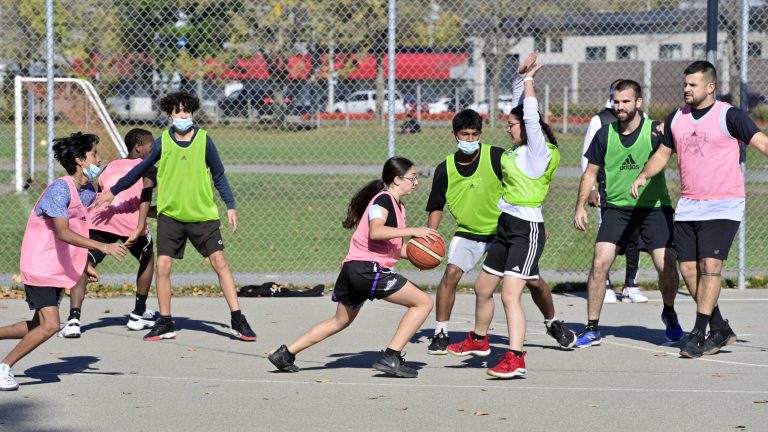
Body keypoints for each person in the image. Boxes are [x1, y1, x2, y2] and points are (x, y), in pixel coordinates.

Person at [94, 91, 257, 342]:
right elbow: (138, 170)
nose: (183, 116)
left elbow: (219, 175)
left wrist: (231, 205)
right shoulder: (162, 143)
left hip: (202, 215)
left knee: (220, 262)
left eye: (187, 111)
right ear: (170, 114)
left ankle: (237, 318)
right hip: (171, 217)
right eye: (178, 112)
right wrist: (113, 191)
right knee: (162, 266)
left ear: (192, 113)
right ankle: (165, 322)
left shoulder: (204, 140)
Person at [631, 61, 768, 358]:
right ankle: (719, 328)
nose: (686, 89)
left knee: (710, 266)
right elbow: (663, 153)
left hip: (724, 203)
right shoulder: (677, 118)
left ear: (710, 87)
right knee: (689, 270)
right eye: (685, 84)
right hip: (689, 205)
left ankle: (698, 332)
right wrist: (643, 175)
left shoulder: (729, 115)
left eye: (693, 84)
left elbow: (762, 143)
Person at [268, 157, 436, 378]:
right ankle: (390, 357)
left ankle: (285, 354)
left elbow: (391, 247)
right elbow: (376, 231)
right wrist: (413, 231)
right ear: (397, 180)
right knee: (423, 303)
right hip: (367, 269)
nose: (416, 182)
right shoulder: (383, 200)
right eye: (412, 178)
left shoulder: (398, 206)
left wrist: (420, 256)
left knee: (339, 321)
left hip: (356, 269)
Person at [425, 107, 575, 356]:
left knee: (534, 282)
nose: (470, 139)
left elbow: (521, 189)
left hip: (503, 230)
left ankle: (552, 323)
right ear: (454, 136)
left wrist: (540, 224)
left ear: (480, 135)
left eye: (475, 134)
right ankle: (441, 332)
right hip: (469, 231)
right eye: (464, 135)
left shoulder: (496, 156)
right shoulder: (445, 169)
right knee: (451, 274)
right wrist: (429, 237)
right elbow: (435, 206)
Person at [445, 52, 559, 379]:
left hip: (526, 229)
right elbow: (520, 110)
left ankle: (516, 358)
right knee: (483, 286)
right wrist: (520, 78)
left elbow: (529, 115)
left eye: (511, 125)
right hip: (506, 226)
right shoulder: (520, 149)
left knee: (510, 295)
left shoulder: (538, 151)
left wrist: (530, 81)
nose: (508, 129)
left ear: (527, 127)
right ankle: (479, 340)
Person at [0, 132, 127, 391]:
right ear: (80, 160)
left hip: (57, 267)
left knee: (38, 325)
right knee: (50, 326)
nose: (98, 159)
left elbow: (79, 228)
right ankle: (4, 367)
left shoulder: (88, 191)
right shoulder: (60, 189)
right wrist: (103, 247)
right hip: (40, 264)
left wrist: (84, 264)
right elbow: (63, 233)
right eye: (94, 154)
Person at [574, 79, 682, 349]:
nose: (620, 106)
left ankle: (669, 312)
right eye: (616, 101)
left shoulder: (655, 131)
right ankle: (592, 327)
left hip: (653, 208)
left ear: (638, 102)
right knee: (600, 262)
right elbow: (590, 172)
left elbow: (682, 145)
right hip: (617, 208)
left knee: (666, 264)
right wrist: (580, 206)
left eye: (625, 101)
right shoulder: (604, 134)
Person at [58, 129, 158, 338]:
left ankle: (74, 320)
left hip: (100, 219)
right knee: (147, 259)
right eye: (151, 145)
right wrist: (142, 223)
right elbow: (144, 195)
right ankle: (138, 313)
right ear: (138, 147)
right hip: (130, 223)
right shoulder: (147, 167)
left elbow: (105, 195)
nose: (154, 148)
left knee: (84, 265)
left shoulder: (110, 166)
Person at [581, 79, 645, 304]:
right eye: (616, 97)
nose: (620, 104)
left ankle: (631, 285)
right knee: (607, 240)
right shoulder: (599, 120)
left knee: (635, 238)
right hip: (607, 190)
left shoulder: (642, 118)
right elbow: (587, 159)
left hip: (635, 192)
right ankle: (605, 284)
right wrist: (591, 189)